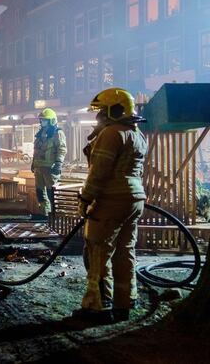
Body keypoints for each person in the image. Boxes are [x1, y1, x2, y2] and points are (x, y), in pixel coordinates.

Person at [72, 88, 147, 324]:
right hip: (134, 201)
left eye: (102, 112)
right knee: (125, 251)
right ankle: (125, 302)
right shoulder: (137, 134)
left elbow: (99, 173)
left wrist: (85, 198)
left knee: (98, 251)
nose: (98, 117)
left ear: (115, 111)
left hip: (110, 201)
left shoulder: (111, 133)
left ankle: (98, 307)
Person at [31, 108, 66, 219]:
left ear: (51, 121)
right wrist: (33, 163)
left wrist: (58, 163)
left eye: (45, 120)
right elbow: (36, 150)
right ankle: (44, 213)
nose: (42, 122)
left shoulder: (57, 133)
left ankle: (55, 215)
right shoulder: (40, 134)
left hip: (50, 168)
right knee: (40, 192)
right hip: (39, 167)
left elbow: (62, 149)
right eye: (41, 120)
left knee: (52, 193)